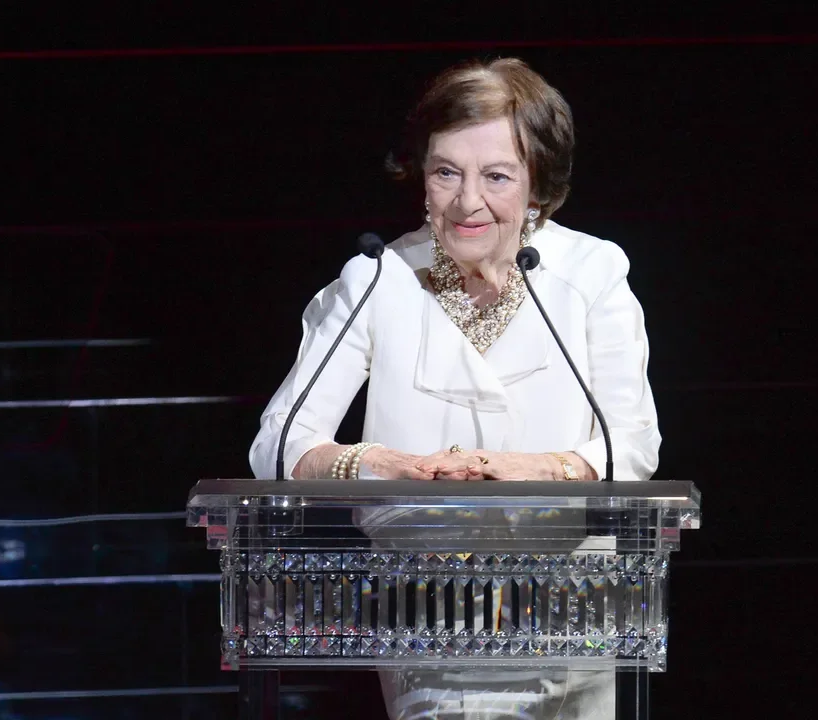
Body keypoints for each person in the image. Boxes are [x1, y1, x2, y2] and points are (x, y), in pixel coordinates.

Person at [249, 58, 660, 720]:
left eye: (496, 176)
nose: (468, 202)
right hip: (431, 610)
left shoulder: (591, 272)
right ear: (421, 176)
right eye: (447, 173)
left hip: (574, 610)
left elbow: (632, 446)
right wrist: (380, 464)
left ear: (537, 183)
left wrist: (532, 469)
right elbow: (278, 446)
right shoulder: (376, 279)